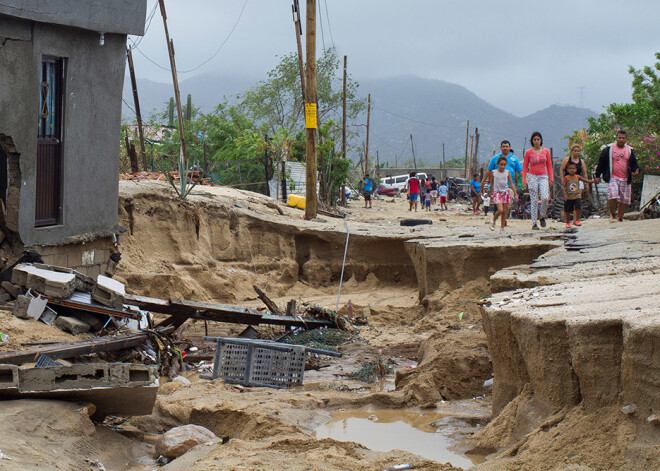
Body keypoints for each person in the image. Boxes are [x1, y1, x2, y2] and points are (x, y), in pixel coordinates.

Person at [595, 130, 640, 222]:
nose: (621, 140)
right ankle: (612, 214)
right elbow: (601, 162)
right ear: (616, 138)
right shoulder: (608, 149)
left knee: (624, 199)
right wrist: (597, 175)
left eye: (623, 138)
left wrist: (636, 170)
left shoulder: (629, 150)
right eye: (619, 138)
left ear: (626, 139)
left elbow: (634, 163)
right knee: (613, 195)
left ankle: (620, 217)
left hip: (625, 177)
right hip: (612, 176)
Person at [481, 140, 522, 225]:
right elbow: (488, 171)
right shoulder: (495, 158)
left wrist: (526, 179)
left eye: (507, 146)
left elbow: (520, 171)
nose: (505, 148)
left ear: (509, 148)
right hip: (497, 188)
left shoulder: (514, 159)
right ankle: (496, 218)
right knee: (499, 206)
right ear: (501, 148)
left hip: (509, 186)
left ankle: (503, 220)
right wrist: (482, 182)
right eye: (503, 146)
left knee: (507, 206)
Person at [523, 131, 553, 230]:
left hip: (543, 176)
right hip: (532, 176)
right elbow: (525, 167)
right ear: (532, 141)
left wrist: (551, 178)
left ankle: (542, 215)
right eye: (534, 140)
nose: (536, 141)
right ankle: (534, 222)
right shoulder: (528, 152)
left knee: (545, 197)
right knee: (534, 200)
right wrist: (524, 180)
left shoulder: (546, 151)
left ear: (541, 141)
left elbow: (549, 166)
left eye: (538, 139)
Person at [563, 161, 596, 228]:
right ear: (567, 170)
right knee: (567, 210)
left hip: (577, 196)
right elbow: (563, 186)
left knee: (578, 208)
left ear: (576, 170)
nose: (572, 170)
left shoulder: (578, 177)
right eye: (570, 168)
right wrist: (565, 195)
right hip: (569, 197)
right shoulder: (566, 178)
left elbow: (586, 180)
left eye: (573, 168)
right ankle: (568, 222)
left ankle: (577, 220)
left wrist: (594, 181)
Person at [489, 155, 518, 231]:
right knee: (500, 210)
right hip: (497, 193)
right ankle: (494, 219)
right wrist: (490, 195)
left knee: (505, 211)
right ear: (498, 164)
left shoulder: (507, 173)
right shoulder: (494, 173)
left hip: (505, 192)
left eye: (504, 165)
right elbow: (491, 184)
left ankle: (502, 227)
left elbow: (511, 183)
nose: (502, 166)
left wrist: (515, 194)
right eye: (501, 164)